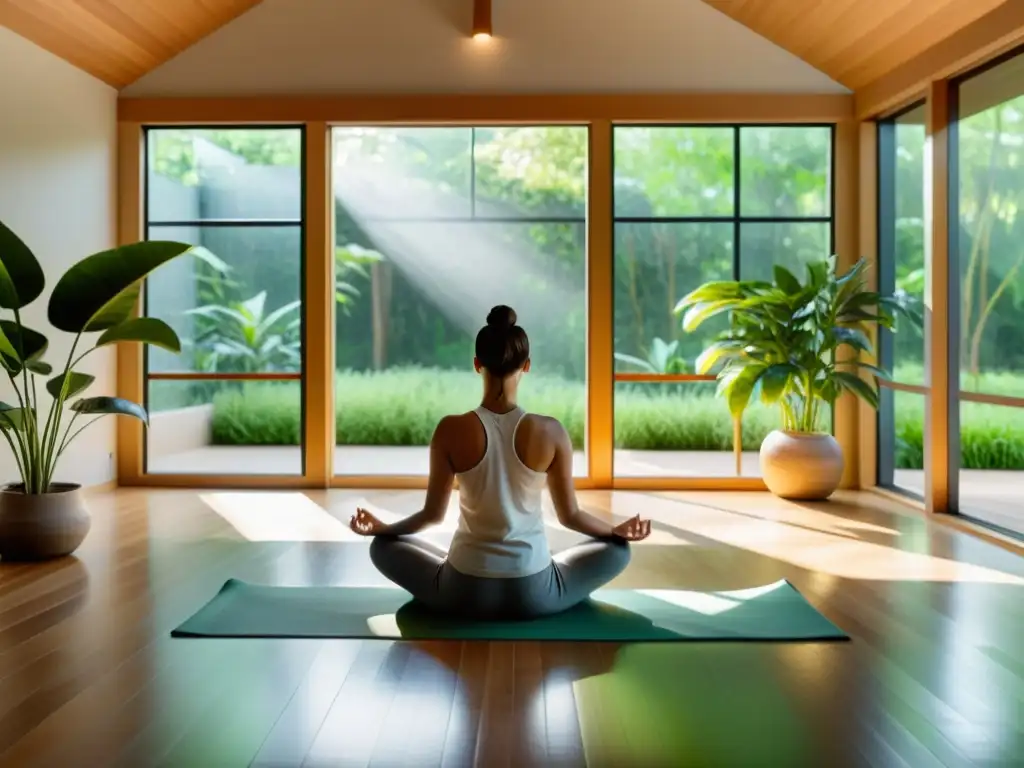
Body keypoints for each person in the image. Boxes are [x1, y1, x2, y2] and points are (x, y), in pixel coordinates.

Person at [349, 305, 652, 620]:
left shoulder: (450, 429)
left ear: (477, 364)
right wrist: (616, 531)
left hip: (462, 592)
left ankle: (455, 565)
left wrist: (384, 529)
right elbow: (570, 516)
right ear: (527, 366)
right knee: (617, 550)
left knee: (382, 547)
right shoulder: (550, 431)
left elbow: (431, 515)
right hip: (535, 592)